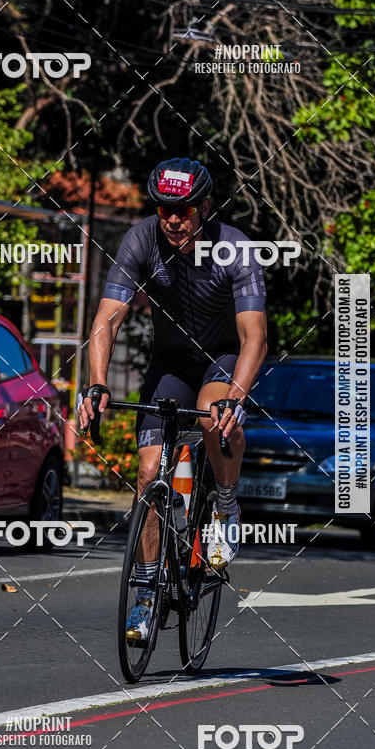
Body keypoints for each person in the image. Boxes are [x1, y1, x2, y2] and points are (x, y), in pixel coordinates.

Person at [78, 157, 267, 642]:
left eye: (183, 210)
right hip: (170, 360)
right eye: (164, 210)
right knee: (147, 473)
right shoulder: (141, 239)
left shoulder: (235, 248)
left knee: (213, 418)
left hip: (222, 357)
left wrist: (237, 399)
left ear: (204, 207)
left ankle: (224, 506)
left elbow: (255, 339)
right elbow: (108, 319)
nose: (173, 220)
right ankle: (145, 594)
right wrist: (97, 383)